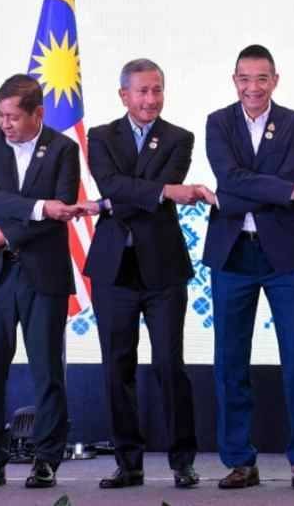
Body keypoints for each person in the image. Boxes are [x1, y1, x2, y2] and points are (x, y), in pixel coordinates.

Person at [203, 44, 294, 489]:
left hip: (283, 253)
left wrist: (248, 191)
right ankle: (240, 460)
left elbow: (241, 185)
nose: (253, 87)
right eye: (245, 78)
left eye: (262, 78)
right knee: (230, 360)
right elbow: (230, 176)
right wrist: (290, 192)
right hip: (232, 254)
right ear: (234, 80)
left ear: (275, 81)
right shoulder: (218, 122)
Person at [84, 58, 213, 489]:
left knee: (169, 365)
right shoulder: (101, 136)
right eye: (142, 91)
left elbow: (123, 192)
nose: (151, 99)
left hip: (163, 268)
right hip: (113, 268)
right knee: (116, 367)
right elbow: (111, 185)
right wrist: (161, 192)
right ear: (124, 95)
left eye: (157, 89)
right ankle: (129, 463)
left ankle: (182, 462)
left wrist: (123, 196)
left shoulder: (179, 137)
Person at [0, 74, 84, 489]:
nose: (5, 124)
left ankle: (46, 459)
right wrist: (40, 206)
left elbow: (63, 211)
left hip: (43, 274)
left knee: (47, 371)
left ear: (38, 113)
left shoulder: (64, 149)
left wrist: (6, 232)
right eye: (0, 115)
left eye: (13, 116)